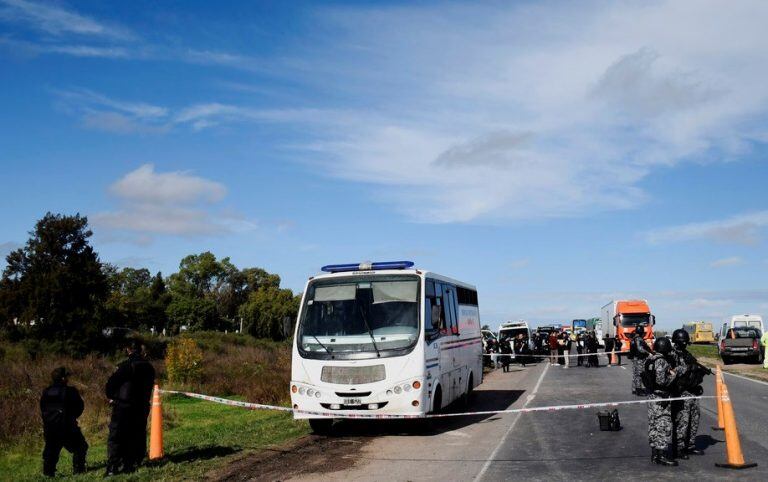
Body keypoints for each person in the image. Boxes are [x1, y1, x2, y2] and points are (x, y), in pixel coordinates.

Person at [105, 340, 156, 475]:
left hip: (124, 405)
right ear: (140, 350)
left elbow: (110, 385)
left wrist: (112, 396)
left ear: (128, 350)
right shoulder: (150, 367)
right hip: (142, 405)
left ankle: (113, 467)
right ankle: (131, 463)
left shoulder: (126, 366)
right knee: (137, 434)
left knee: (116, 436)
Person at [40, 367, 88, 477]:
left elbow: (42, 409)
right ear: (63, 378)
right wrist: (71, 417)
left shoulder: (46, 392)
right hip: (67, 427)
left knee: (51, 451)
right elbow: (80, 407)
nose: (68, 378)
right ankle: (79, 470)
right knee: (81, 447)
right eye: (67, 376)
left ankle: (48, 473)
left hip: (50, 428)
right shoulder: (71, 391)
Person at [644, 337, 684, 466]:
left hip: (651, 396)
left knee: (653, 425)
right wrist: (674, 374)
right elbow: (662, 381)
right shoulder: (661, 361)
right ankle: (662, 455)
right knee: (663, 424)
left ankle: (655, 453)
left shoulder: (650, 359)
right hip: (661, 397)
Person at [671, 329, 708, 458]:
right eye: (683, 342)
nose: (685, 344)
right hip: (681, 393)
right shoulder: (672, 354)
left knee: (694, 419)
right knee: (683, 421)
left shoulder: (686, 354)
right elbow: (672, 371)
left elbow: (693, 366)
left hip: (691, 391)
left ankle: (690, 445)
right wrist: (687, 368)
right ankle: (679, 448)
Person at [631, 325, 652, 395]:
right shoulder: (639, 339)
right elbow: (640, 349)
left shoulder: (633, 339)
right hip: (639, 358)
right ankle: (638, 390)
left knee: (635, 374)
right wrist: (648, 353)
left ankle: (634, 389)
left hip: (635, 358)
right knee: (639, 374)